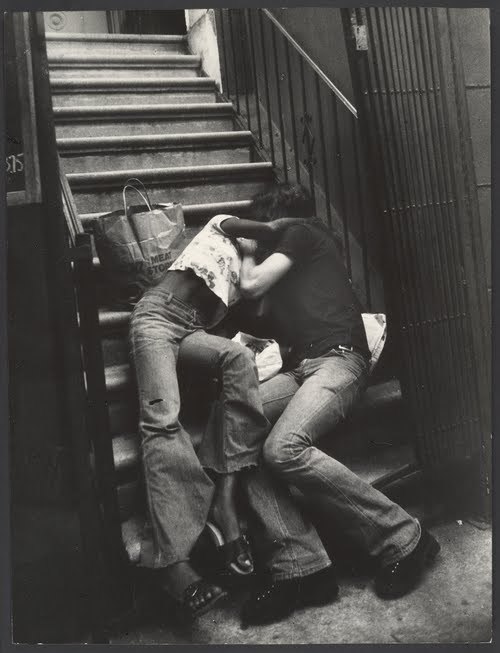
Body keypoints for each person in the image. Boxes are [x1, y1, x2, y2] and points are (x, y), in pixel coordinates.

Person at [233, 183, 440, 626]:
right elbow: (260, 306)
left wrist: (248, 249)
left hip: (339, 361)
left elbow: (250, 286)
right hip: (299, 369)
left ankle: (405, 536)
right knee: (233, 431)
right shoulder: (293, 261)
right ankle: (303, 568)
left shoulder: (304, 231)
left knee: (282, 448)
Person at [129, 211, 307, 619]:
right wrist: (289, 229)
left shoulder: (249, 271)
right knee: (161, 419)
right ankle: (172, 564)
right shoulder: (221, 223)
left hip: (191, 330)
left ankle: (224, 502)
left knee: (239, 358)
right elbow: (262, 230)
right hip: (156, 317)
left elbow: (259, 310)